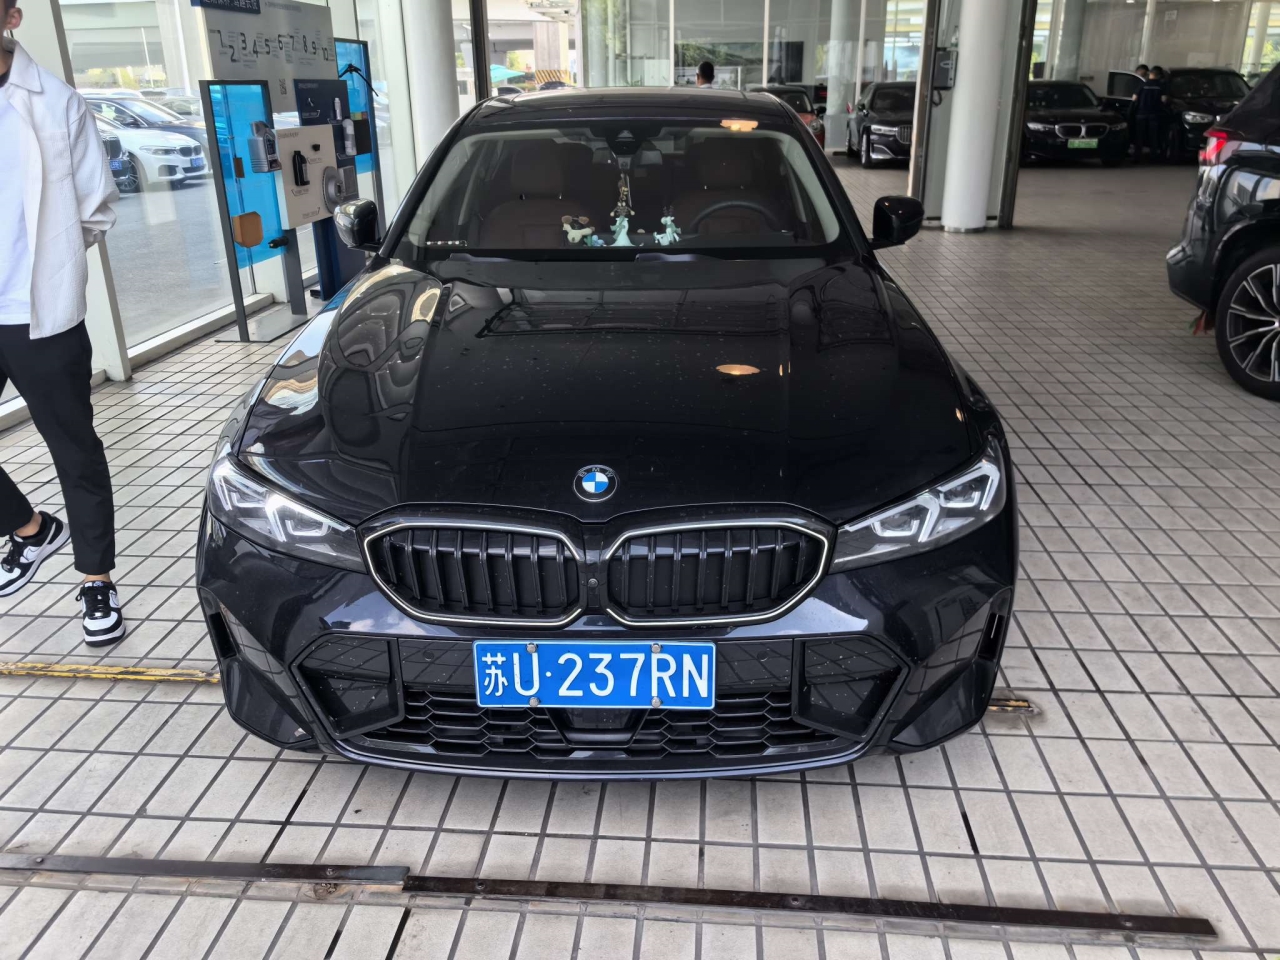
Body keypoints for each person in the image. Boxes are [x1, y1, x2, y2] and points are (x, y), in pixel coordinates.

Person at [0, 0, 125, 646]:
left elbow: (96, 206)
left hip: (38, 312)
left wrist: (52, 264)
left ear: (12, 17)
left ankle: (96, 579)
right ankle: (31, 530)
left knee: (74, 448)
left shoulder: (56, 101)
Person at [1132, 64, 1167, 162]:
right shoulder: (1160, 86)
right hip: (1154, 114)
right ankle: (1153, 157)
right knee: (1153, 136)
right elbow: (1164, 100)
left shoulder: (1142, 85)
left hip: (1141, 114)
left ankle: (1137, 156)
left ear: (1150, 74)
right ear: (1159, 75)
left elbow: (1134, 98)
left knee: (1139, 136)